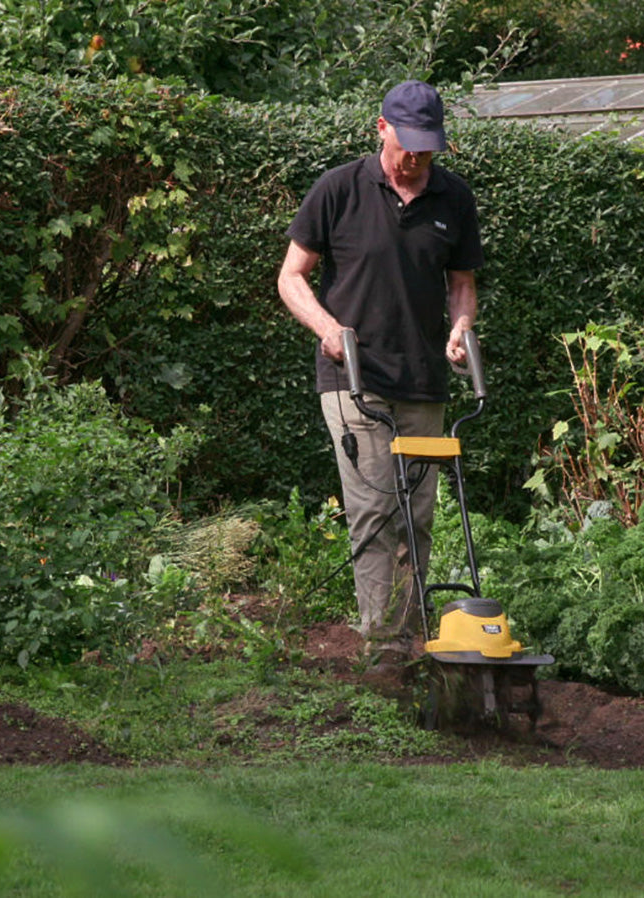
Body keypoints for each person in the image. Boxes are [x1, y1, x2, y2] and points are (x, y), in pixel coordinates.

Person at [277, 80, 484, 675]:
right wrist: (327, 327)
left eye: (427, 146)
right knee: (376, 512)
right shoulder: (339, 188)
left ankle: (408, 637)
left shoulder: (453, 197)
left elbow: (461, 283)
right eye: (407, 143)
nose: (415, 156)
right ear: (382, 128)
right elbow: (292, 276)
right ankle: (383, 647)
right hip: (355, 378)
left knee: (416, 516)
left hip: (423, 380)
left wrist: (460, 327)